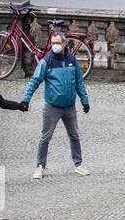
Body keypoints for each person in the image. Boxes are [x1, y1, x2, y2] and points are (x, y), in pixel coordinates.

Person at [21, 35, 91, 179]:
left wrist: (85, 100)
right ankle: (40, 166)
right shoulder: (46, 61)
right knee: (45, 137)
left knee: (74, 136)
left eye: (58, 43)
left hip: (69, 106)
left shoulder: (72, 60)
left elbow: (79, 82)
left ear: (64, 44)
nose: (55, 45)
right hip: (52, 106)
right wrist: (26, 99)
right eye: (53, 43)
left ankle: (78, 164)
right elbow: (35, 81)